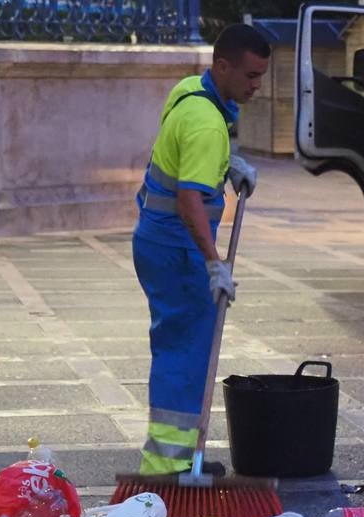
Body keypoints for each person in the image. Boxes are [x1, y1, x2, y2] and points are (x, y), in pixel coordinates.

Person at [132, 24, 269, 475]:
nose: (256, 85)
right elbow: (190, 202)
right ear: (223, 66)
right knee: (186, 352)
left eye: (261, 75)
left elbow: (181, 155)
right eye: (250, 75)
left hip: (160, 239)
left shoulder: (192, 91)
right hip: (179, 248)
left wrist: (228, 165)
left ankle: (178, 455)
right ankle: (167, 464)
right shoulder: (207, 124)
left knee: (184, 345)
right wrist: (215, 265)